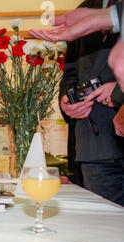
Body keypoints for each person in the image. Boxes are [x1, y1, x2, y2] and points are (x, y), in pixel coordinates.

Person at [56, 0, 124, 206]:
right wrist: (66, 102)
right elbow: (70, 73)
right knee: (103, 232)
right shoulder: (85, 8)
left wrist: (120, 91)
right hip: (94, 148)